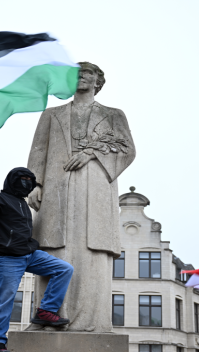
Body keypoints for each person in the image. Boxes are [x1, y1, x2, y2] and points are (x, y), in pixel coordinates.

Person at [27, 62, 135, 332]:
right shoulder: (52, 114)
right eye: (76, 74)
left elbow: (127, 149)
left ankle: (94, 322)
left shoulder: (113, 114)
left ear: (98, 81)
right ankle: (48, 317)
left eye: (87, 74)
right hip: (56, 188)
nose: (81, 78)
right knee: (53, 248)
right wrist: (34, 183)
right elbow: (39, 149)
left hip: (96, 188)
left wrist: (91, 153)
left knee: (93, 250)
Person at [0, 167, 74, 352]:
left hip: (29, 254)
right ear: (12, 180)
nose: (27, 182)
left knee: (64, 269)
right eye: (22, 178)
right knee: (4, 300)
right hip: (6, 258)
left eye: (30, 180)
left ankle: (46, 311)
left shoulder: (23, 203)